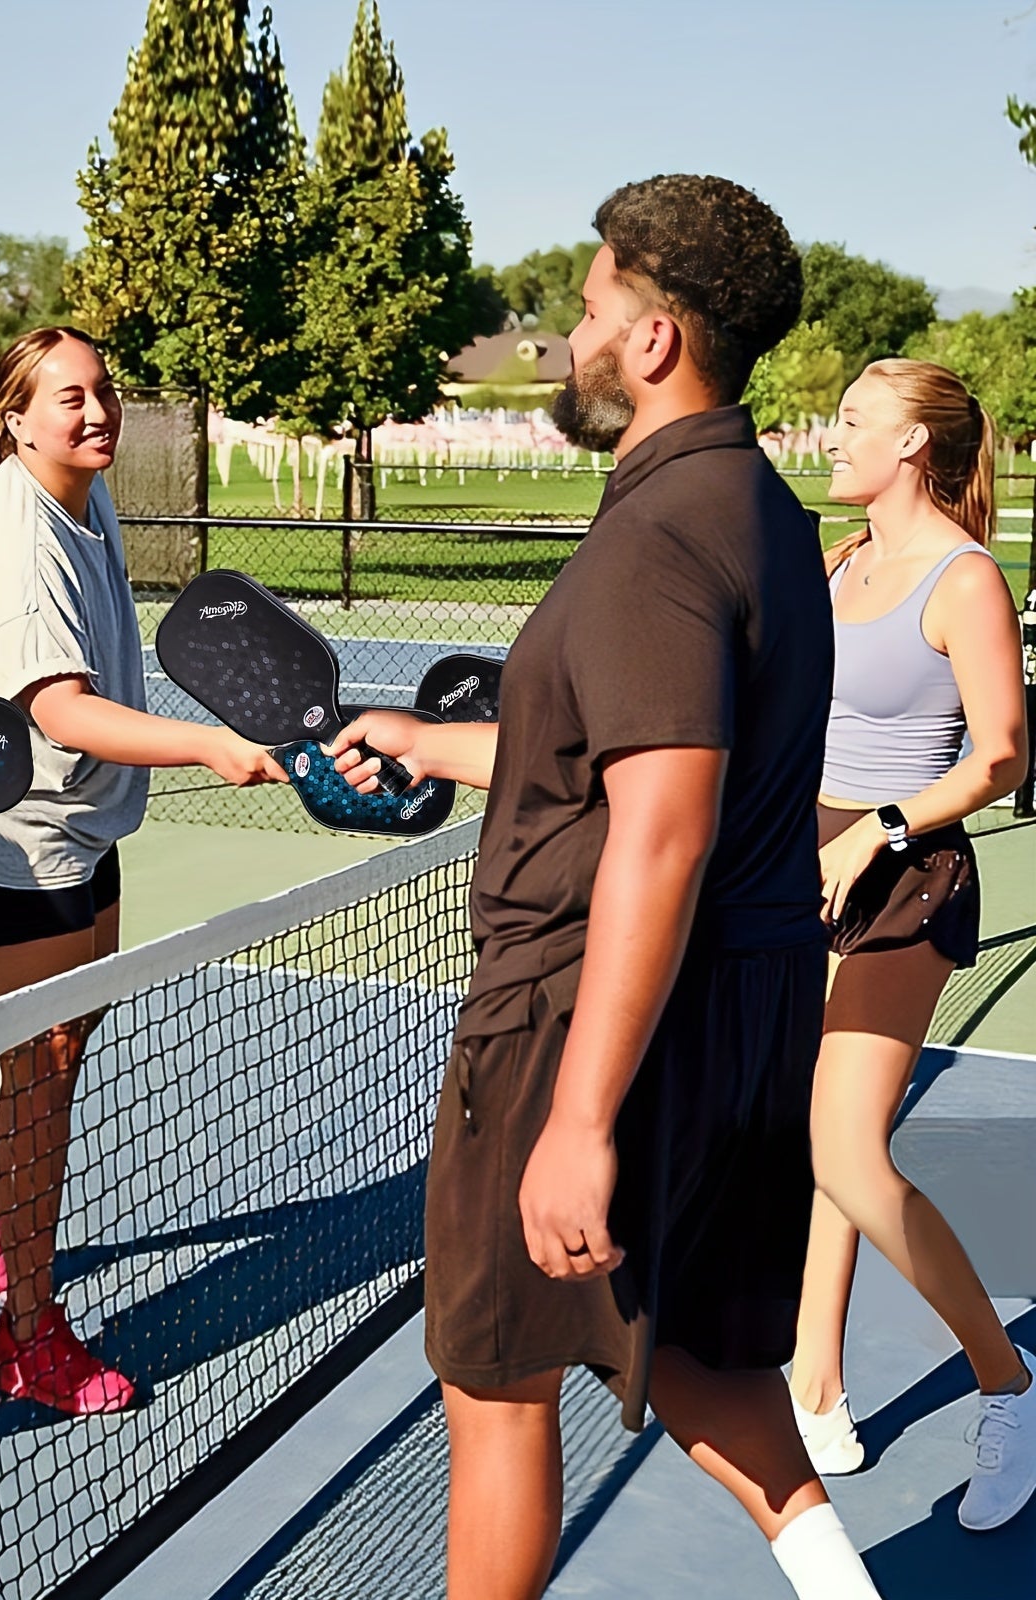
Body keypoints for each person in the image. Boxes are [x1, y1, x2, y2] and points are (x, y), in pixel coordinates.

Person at [330, 176, 886, 1599]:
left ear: (652, 343)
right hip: (742, 1014)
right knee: (708, 1364)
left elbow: (663, 826)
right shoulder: (753, 504)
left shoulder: (652, 536)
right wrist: (438, 744)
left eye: (586, 313)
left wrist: (577, 1120)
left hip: (587, 1019)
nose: (569, 341)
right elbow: (627, 750)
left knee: (499, 1383)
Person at [0, 326, 283, 1414]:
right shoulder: (19, 540)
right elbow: (58, 707)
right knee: (43, 1067)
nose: (96, 411)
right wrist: (209, 743)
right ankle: (27, 1332)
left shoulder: (85, 490)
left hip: (72, 817)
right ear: (17, 420)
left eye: (103, 391)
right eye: (69, 398)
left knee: (60, 1038)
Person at [787, 360, 1033, 1529]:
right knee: (831, 1138)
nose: (829, 438)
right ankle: (816, 1384)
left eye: (850, 423)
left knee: (840, 1144)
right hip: (806, 870)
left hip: (906, 880)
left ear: (912, 449)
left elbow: (999, 757)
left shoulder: (964, 578)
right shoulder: (837, 563)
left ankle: (1009, 1386)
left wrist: (880, 828)